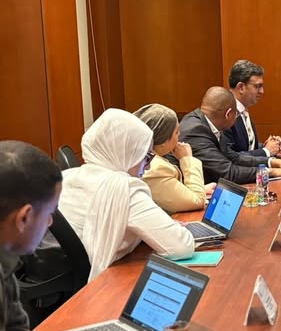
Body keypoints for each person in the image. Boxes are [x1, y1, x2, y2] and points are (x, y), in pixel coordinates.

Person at [59, 109, 194, 281]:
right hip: (101, 283)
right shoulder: (123, 188)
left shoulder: (67, 176)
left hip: (60, 275)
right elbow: (181, 247)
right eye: (146, 156)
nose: (148, 166)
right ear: (126, 152)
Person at [0, 141, 62, 331]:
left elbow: (17, 330)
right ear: (24, 217)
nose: (49, 222)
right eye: (49, 213)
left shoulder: (6, 259)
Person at [180, 87, 281, 184]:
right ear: (228, 114)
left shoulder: (210, 123)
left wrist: (274, 162)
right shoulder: (196, 131)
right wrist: (271, 172)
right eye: (236, 115)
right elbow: (228, 173)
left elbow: (235, 158)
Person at [135, 104, 216, 214]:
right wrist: (187, 159)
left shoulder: (140, 156)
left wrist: (198, 190)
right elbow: (197, 201)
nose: (179, 135)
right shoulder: (156, 168)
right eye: (176, 132)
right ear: (163, 141)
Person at [225, 60, 281, 156]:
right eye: (257, 86)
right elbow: (230, 157)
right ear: (241, 87)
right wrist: (265, 151)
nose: (262, 91)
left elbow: (245, 148)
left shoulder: (243, 110)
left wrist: (267, 146)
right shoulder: (225, 113)